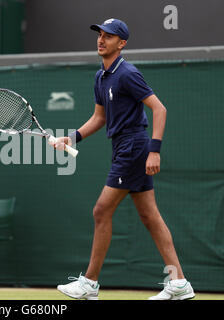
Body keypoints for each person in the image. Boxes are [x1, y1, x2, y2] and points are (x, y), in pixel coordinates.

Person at [51, 19, 195, 300]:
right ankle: (179, 282)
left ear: (122, 43)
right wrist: (72, 137)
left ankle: (89, 283)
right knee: (149, 215)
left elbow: (159, 109)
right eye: (100, 35)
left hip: (134, 147)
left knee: (101, 211)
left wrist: (154, 150)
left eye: (109, 36)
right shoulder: (100, 77)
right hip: (121, 147)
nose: (101, 40)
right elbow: (99, 118)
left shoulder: (128, 73)